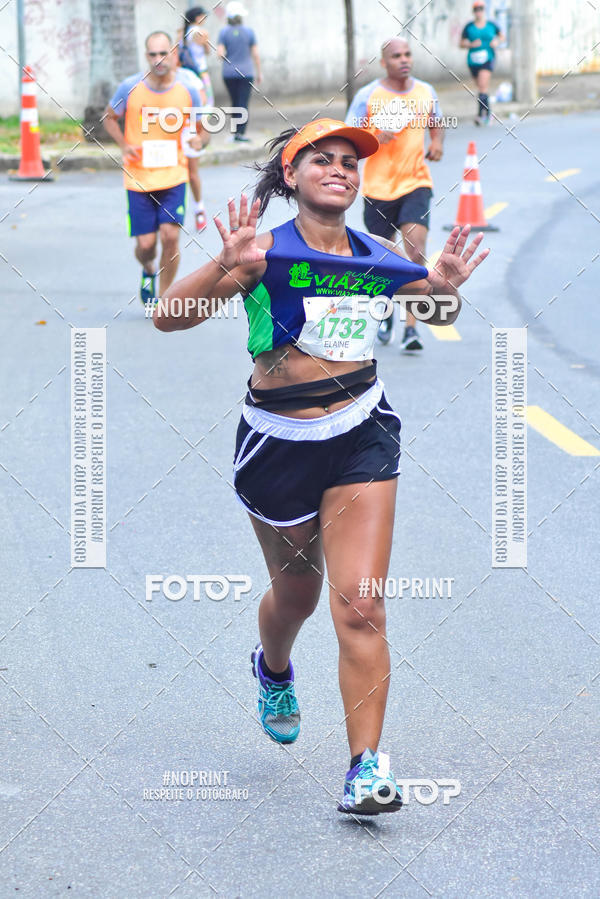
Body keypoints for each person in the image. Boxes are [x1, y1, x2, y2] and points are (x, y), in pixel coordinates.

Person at [153, 118, 488, 815]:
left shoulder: (378, 253)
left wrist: (447, 288)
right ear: (291, 174)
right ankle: (272, 666)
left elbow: (431, 308)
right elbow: (169, 316)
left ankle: (365, 766)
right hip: (276, 443)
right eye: (322, 160)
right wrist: (229, 266)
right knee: (297, 596)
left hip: (361, 434)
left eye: (349, 162)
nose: (339, 169)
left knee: (360, 604)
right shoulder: (261, 251)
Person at [345, 38, 444, 352]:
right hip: (377, 189)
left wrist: (437, 142)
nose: (404, 60)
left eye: (407, 54)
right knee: (384, 260)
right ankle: (386, 311)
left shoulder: (425, 91)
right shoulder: (368, 95)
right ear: (384, 62)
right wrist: (374, 134)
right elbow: (349, 134)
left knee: (415, 251)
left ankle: (412, 328)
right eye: (396, 56)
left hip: (416, 183)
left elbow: (436, 121)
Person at [104, 31, 209, 305]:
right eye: (152, 54)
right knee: (146, 246)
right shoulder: (129, 87)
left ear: (173, 54)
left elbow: (203, 129)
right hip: (138, 178)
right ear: (146, 56)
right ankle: (148, 269)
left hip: (174, 176)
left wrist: (200, 140)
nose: (158, 59)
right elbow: (109, 117)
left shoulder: (188, 90)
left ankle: (165, 299)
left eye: (163, 53)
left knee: (170, 236)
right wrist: (123, 144)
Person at [178, 6, 215, 232]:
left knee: (192, 170)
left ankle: (199, 209)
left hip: (191, 125)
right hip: (200, 76)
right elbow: (208, 47)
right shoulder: (196, 32)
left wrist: (201, 136)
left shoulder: (191, 84)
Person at [217, 1, 262, 143]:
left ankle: (235, 133)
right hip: (246, 73)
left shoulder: (223, 32)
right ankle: (241, 133)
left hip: (229, 73)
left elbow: (220, 54)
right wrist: (259, 72)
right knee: (243, 102)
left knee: (235, 103)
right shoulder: (249, 32)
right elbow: (255, 54)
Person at [460, 2, 505, 125]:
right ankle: (488, 113)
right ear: (473, 11)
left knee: (482, 85)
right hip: (473, 61)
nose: (478, 11)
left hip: (488, 59)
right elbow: (461, 43)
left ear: (484, 10)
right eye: (476, 9)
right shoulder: (469, 27)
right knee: (481, 88)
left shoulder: (491, 25)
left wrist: (496, 42)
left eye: (480, 9)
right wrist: (470, 44)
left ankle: (481, 115)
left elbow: (502, 37)